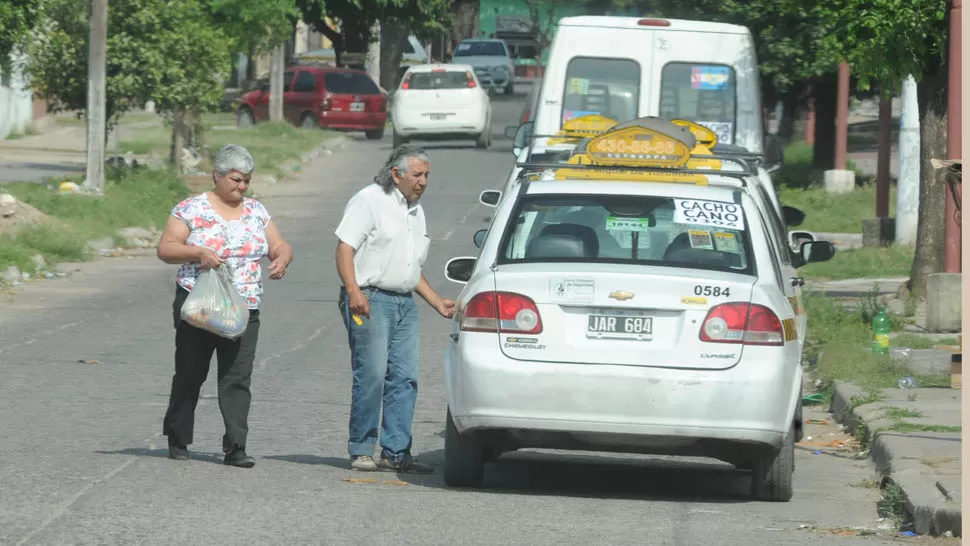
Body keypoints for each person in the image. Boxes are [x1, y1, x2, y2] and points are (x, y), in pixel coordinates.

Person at [156, 144, 293, 468]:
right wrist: (198, 253)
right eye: (235, 179)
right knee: (191, 371)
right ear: (216, 175)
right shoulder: (192, 209)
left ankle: (236, 446)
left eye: (246, 180)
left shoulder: (257, 211)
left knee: (237, 376)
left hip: (244, 307)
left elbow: (278, 244)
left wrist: (282, 257)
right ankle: (178, 434)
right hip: (200, 304)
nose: (241, 187)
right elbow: (166, 248)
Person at [334, 145, 456, 474]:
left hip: (404, 304)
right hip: (370, 300)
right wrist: (353, 290)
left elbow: (409, 268)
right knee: (371, 375)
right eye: (417, 175)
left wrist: (436, 301)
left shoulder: (415, 211)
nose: (424, 182)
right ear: (396, 174)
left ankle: (396, 451)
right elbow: (345, 248)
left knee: (404, 378)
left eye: (427, 175)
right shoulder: (369, 200)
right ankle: (361, 448)